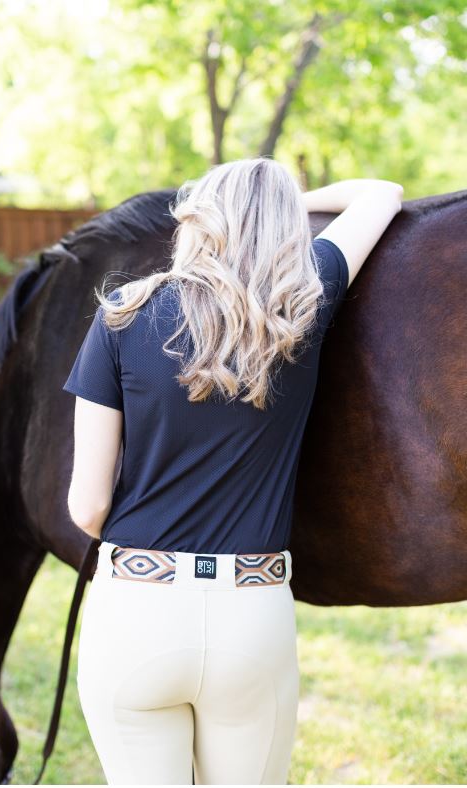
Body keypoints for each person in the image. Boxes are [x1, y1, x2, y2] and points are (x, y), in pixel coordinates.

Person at [62, 158, 403, 785]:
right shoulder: (304, 302)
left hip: (136, 612)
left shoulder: (119, 315)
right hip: (253, 613)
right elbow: (382, 192)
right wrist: (282, 210)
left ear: (200, 216)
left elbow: (86, 509)